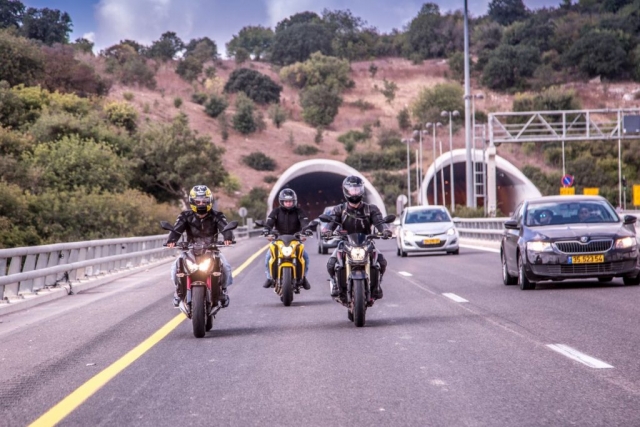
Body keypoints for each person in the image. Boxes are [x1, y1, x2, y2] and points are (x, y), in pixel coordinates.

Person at [324, 175, 392, 302]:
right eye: (352, 190)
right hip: (345, 243)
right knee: (331, 264)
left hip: (366, 243)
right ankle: (336, 284)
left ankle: (377, 286)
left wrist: (385, 230)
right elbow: (331, 223)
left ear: (362, 190)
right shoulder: (339, 209)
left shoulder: (371, 209)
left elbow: (379, 222)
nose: (354, 193)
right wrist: (327, 230)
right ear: (346, 191)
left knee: (382, 262)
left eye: (357, 189)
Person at [166, 185, 234, 308]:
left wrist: (228, 238)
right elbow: (177, 229)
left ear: (210, 201)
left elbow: (225, 227)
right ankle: (178, 292)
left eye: (204, 201)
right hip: (190, 250)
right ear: (192, 202)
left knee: (226, 267)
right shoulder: (185, 216)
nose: (201, 204)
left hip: (211, 249)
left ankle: (223, 291)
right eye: (198, 201)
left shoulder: (217, 215)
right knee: (175, 268)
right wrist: (171, 240)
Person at [262, 189, 312, 290]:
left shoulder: (299, 212)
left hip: (295, 240)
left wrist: (306, 230)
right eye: (286, 201)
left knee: (305, 257)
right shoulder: (276, 212)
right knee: (268, 257)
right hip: (278, 239)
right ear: (282, 202)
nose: (288, 203)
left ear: (294, 201)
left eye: (290, 201)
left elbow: (304, 222)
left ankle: (303, 277)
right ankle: (269, 278)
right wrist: (266, 230)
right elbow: (269, 223)